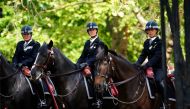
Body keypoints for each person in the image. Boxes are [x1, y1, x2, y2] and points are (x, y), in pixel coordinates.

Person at [135, 21, 168, 107]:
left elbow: (156, 57)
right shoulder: (146, 42)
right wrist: (136, 64)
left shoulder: (160, 42)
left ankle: (165, 102)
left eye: (152, 30)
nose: (150, 32)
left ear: (156, 31)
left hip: (159, 68)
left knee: (158, 80)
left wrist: (146, 65)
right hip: (149, 67)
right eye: (148, 30)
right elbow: (143, 55)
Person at [12, 25, 46, 108]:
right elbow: (16, 56)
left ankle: (42, 100)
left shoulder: (36, 44)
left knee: (36, 79)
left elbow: (33, 57)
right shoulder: (19, 44)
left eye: (27, 34)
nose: (25, 36)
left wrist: (23, 64)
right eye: (24, 34)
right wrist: (15, 63)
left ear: (31, 34)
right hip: (18, 67)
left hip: (31, 67)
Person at [77, 22, 106, 108]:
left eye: (93, 30)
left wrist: (87, 63)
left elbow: (97, 57)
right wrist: (77, 64)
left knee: (97, 81)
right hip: (85, 65)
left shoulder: (100, 43)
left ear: (96, 31)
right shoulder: (87, 43)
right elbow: (83, 56)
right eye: (90, 30)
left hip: (95, 65)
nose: (91, 31)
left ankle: (98, 100)